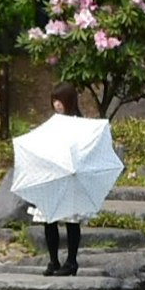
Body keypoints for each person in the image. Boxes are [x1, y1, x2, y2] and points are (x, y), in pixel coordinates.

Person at [35, 84, 91, 276]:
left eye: (60, 101)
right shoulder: (53, 123)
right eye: (54, 101)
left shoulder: (79, 124)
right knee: (49, 220)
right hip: (52, 175)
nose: (57, 105)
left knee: (71, 221)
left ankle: (72, 261)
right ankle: (53, 260)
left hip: (71, 176)